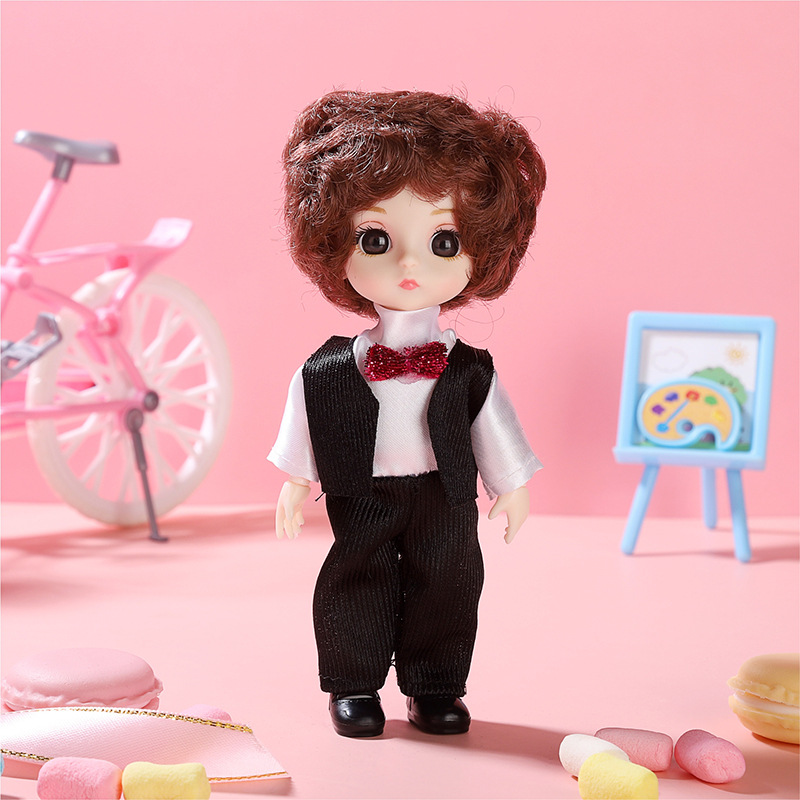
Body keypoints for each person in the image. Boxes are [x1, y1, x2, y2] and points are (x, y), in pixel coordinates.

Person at [269, 89, 546, 738]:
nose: (410, 264)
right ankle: (354, 687)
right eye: (376, 239)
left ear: (483, 248)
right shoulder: (328, 367)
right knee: (355, 580)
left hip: (443, 493)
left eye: (444, 241)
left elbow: (492, 427)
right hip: (360, 492)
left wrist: (511, 486)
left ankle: (435, 687)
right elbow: (306, 416)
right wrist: (295, 480)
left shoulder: (468, 367)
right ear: (332, 242)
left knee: (448, 583)